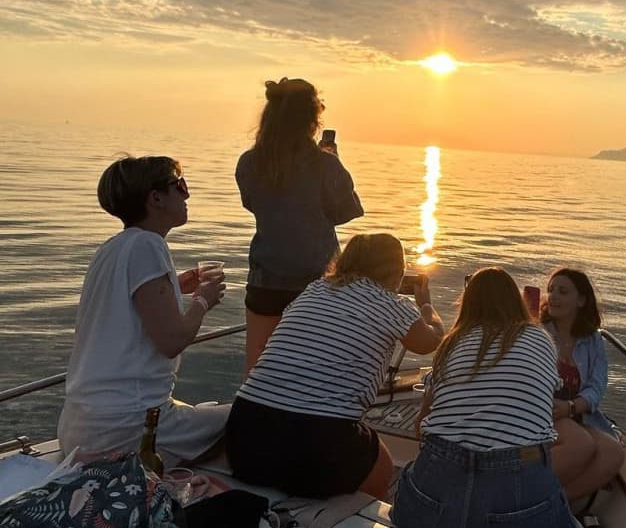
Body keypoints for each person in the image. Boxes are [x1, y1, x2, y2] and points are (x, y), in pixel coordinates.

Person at [391, 268, 626, 528]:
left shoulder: (451, 345)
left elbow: (425, 423)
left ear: (467, 305)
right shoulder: (539, 340)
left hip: (428, 515)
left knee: (415, 477)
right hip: (512, 518)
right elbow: (538, 412)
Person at [225, 232, 444, 500]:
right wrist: (426, 305)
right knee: (383, 469)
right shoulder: (391, 304)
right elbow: (430, 341)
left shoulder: (314, 289)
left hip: (244, 435)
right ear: (396, 271)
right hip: (318, 443)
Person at [57, 156, 229, 465]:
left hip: (79, 426)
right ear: (156, 197)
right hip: (128, 428)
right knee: (250, 415)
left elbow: (120, 306)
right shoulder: (148, 246)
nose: (187, 194)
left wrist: (174, 286)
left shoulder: (111, 249)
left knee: (202, 412)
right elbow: (171, 341)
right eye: (180, 185)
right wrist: (203, 301)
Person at [236, 77, 364, 375]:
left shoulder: (249, 163)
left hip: (265, 279)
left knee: (258, 364)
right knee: (315, 367)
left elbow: (254, 205)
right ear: (312, 119)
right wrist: (331, 160)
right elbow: (346, 212)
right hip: (318, 282)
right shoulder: (326, 165)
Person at [541, 268, 625, 504]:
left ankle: (557, 502)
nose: (553, 296)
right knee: (581, 445)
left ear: (581, 300)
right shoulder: (538, 333)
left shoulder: (593, 340)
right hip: (544, 413)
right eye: (551, 290)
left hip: (577, 414)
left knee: (613, 453)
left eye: (563, 291)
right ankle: (536, 496)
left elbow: (597, 387)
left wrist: (571, 407)